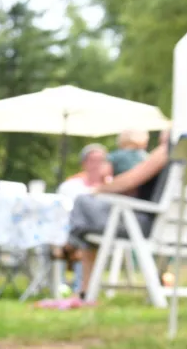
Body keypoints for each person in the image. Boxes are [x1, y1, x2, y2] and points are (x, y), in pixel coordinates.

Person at [67, 128, 170, 298]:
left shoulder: (166, 151)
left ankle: (69, 250)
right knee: (86, 218)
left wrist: (98, 190)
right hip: (166, 224)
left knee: (83, 202)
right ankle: (80, 276)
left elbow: (130, 180)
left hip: (143, 225)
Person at [55, 143, 111, 292]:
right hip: (67, 230)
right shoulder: (69, 186)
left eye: (101, 160)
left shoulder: (112, 185)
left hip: (95, 233)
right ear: (83, 163)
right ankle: (58, 285)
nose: (96, 165)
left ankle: (80, 288)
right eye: (92, 160)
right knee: (55, 239)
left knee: (85, 241)